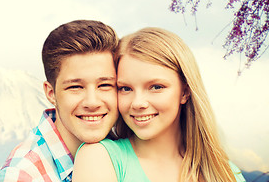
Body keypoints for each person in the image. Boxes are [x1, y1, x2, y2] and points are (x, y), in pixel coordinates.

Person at [73, 27, 246, 182]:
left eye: (156, 87)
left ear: (184, 92)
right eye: (125, 88)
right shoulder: (99, 158)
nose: (138, 103)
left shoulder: (227, 172)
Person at [0, 20, 119, 182]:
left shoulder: (128, 151)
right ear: (51, 93)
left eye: (104, 85)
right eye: (75, 87)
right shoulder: (23, 175)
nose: (92, 102)